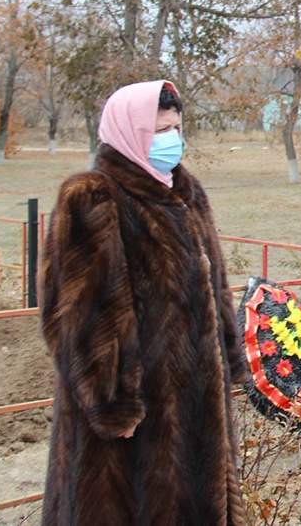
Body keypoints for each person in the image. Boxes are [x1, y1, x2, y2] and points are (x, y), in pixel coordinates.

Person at [39, 80, 246, 525]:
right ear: (129, 132)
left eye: (176, 127)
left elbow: (216, 288)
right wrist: (112, 404)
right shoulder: (93, 197)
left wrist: (229, 357)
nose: (172, 139)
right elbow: (82, 316)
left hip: (195, 405)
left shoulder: (185, 191)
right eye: (159, 131)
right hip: (135, 418)